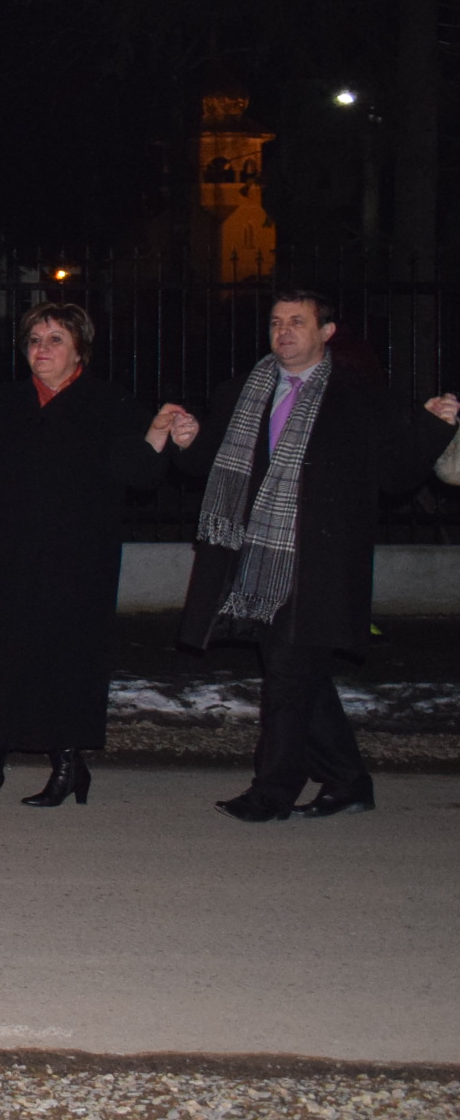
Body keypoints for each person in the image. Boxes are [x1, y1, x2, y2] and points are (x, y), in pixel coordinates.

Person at [157, 289, 456, 822]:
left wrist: (433, 426)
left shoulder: (358, 396)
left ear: (327, 332)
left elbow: (397, 476)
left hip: (320, 562)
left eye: (298, 321)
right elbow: (207, 468)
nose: (284, 331)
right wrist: (188, 440)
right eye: (276, 322)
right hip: (254, 556)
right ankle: (347, 780)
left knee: (290, 674)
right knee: (298, 674)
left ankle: (273, 790)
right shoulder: (241, 393)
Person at [0, 302, 172, 808]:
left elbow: (139, 474)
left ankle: (67, 763)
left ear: (79, 349)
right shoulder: (6, 401)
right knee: (1, 655)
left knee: (66, 656)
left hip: (78, 557)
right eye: (34, 341)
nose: (41, 350)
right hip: (10, 552)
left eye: (55, 340)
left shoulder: (108, 403)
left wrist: (157, 434)